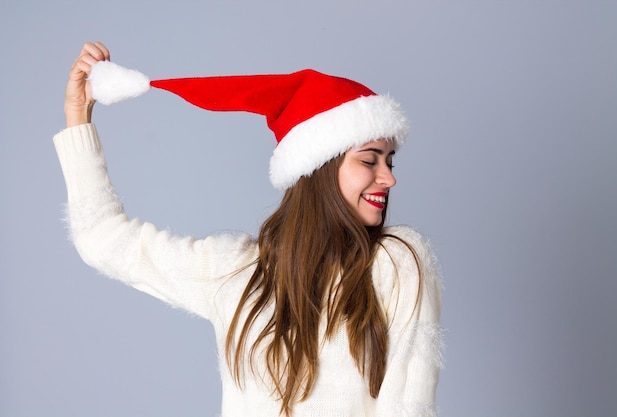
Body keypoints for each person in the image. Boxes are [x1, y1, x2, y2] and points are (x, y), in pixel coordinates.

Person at [54, 41, 443, 417]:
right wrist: (77, 114)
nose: (388, 178)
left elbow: (408, 407)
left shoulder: (397, 262)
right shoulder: (236, 270)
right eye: (370, 161)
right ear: (321, 167)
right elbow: (103, 238)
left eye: (390, 161)